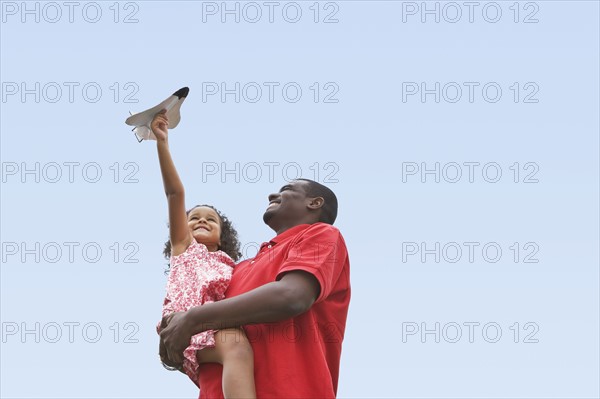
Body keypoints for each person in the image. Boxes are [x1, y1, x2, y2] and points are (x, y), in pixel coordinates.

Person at [159, 178, 351, 398]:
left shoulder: (321, 235)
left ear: (314, 203)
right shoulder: (233, 272)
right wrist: (174, 337)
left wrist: (193, 319)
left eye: (286, 189)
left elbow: (292, 296)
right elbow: (206, 339)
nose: (272, 195)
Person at [152, 110, 256, 398]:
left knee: (240, 350)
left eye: (211, 219)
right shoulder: (185, 250)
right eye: (194, 217)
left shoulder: (232, 266)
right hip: (184, 327)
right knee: (237, 345)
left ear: (223, 236)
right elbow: (175, 194)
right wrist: (162, 142)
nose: (201, 220)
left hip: (215, 328)